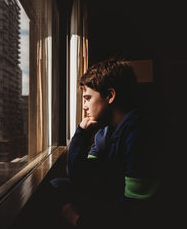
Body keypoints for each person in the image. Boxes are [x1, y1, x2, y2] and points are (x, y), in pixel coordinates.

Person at [51, 58, 162, 228]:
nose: (84, 107)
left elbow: (136, 206)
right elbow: (80, 177)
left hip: (139, 214)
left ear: (110, 96)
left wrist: (78, 220)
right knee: (57, 186)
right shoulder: (105, 132)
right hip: (113, 195)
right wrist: (81, 133)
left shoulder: (138, 131)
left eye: (88, 98)